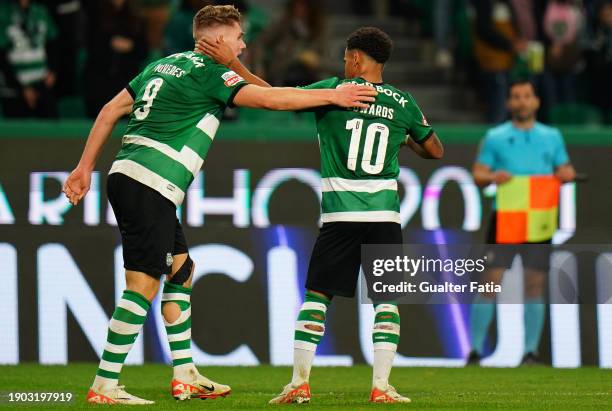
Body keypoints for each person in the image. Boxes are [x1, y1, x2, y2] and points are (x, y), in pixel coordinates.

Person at [62, 4, 376, 405]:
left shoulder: (162, 65)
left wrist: (84, 167)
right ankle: (104, 384)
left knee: (182, 272)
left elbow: (110, 110)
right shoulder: (211, 72)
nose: (243, 44)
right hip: (152, 183)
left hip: (130, 176)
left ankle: (185, 375)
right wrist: (334, 95)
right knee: (142, 286)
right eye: (239, 36)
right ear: (219, 38)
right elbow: (270, 100)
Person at [198, 26, 444, 404]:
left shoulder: (334, 92)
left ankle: (299, 383)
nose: (344, 63)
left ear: (357, 58)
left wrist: (234, 65)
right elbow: (435, 151)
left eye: (347, 56)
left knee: (316, 297)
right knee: (387, 302)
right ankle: (381, 388)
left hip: (339, 217)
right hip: (384, 217)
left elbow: (275, 95)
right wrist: (405, 137)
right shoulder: (403, 103)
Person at [468, 79, 576, 365]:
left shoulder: (552, 136)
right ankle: (475, 350)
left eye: (527, 96)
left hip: (539, 218)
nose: (522, 102)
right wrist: (493, 177)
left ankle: (530, 352)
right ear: (508, 103)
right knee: (490, 283)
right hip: (507, 216)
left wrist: (566, 174)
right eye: (516, 97)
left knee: (534, 284)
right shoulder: (495, 137)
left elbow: (564, 168)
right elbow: (479, 174)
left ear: (536, 101)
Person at [0, 0, 59, 118]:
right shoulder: (3, 13)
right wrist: (22, 88)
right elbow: (1, 56)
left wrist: (53, 70)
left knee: (50, 130)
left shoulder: (41, 11)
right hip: (13, 89)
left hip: (42, 84)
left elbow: (54, 44)